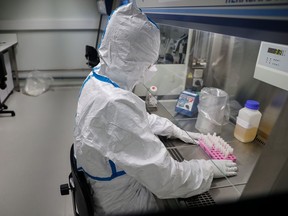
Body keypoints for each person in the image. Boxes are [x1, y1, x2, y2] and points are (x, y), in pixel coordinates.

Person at [73, 3, 238, 216]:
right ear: (132, 59)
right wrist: (206, 170)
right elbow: (168, 181)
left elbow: (128, 122)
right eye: (148, 63)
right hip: (123, 202)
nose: (150, 70)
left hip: (105, 184)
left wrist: (172, 129)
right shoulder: (115, 103)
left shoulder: (99, 78)